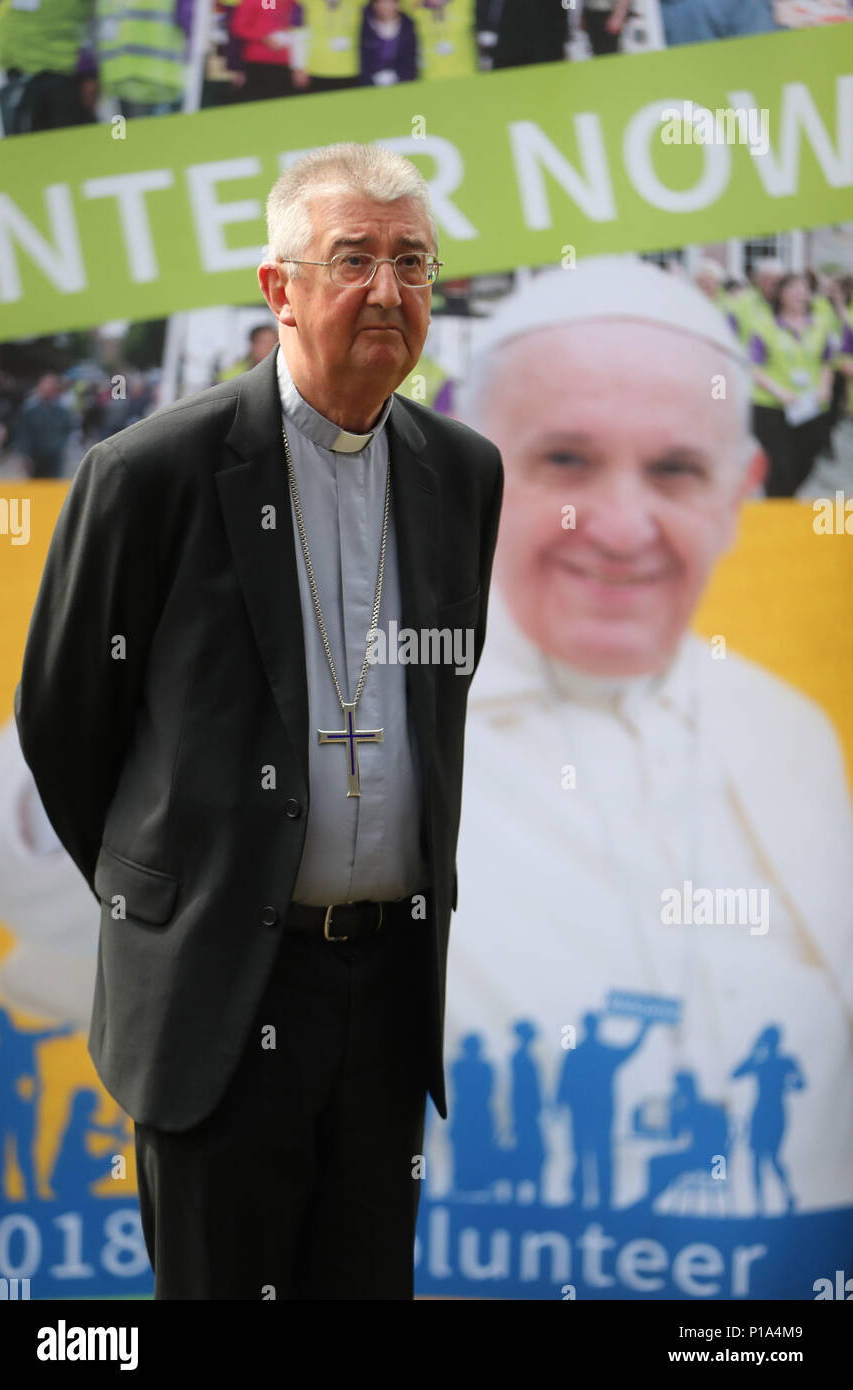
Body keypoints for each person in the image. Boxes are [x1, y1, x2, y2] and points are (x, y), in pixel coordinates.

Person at [13, 140, 504, 1300]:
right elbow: (65, 719)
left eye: (414, 263)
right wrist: (182, 895)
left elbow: (440, 702)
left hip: (384, 997)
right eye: (353, 261)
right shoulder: (153, 474)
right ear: (277, 289)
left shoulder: (465, 474)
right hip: (221, 997)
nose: (389, 291)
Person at [416, 257, 853, 1297]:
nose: (617, 529)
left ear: (739, 496)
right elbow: (36, 843)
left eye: (673, 472)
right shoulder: (330, 708)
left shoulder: (787, 730)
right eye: (563, 460)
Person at [749, 271, 835, 495]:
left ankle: (783, 501)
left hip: (810, 406)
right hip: (771, 407)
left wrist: (825, 387)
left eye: (804, 288)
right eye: (793, 288)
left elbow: (828, 361)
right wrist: (780, 391)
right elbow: (753, 366)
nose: (800, 293)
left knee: (805, 463)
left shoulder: (821, 324)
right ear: (781, 294)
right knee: (780, 466)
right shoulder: (765, 326)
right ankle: (778, 511)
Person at [0, 0, 98, 135]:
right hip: (21, 78)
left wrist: (89, 73)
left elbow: (90, 27)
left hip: (60, 76)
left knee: (72, 141)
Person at [229, 0, 304, 102]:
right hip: (258, 61)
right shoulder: (252, 2)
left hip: (285, 62)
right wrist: (263, 38)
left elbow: (300, 28)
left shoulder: (293, 3)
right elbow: (239, 27)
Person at [13, 373, 75, 479]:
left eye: (52, 387)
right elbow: (23, 432)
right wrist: (23, 454)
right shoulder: (30, 409)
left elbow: (68, 429)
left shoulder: (62, 411)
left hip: (54, 456)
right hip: (35, 456)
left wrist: (60, 444)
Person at [359, 0, 418, 85]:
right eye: (382, 3)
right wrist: (371, 77)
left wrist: (401, 77)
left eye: (391, 3)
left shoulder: (407, 25)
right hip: (372, 83)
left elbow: (410, 57)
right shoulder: (366, 25)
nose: (386, 7)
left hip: (402, 82)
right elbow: (365, 57)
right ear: (375, 5)